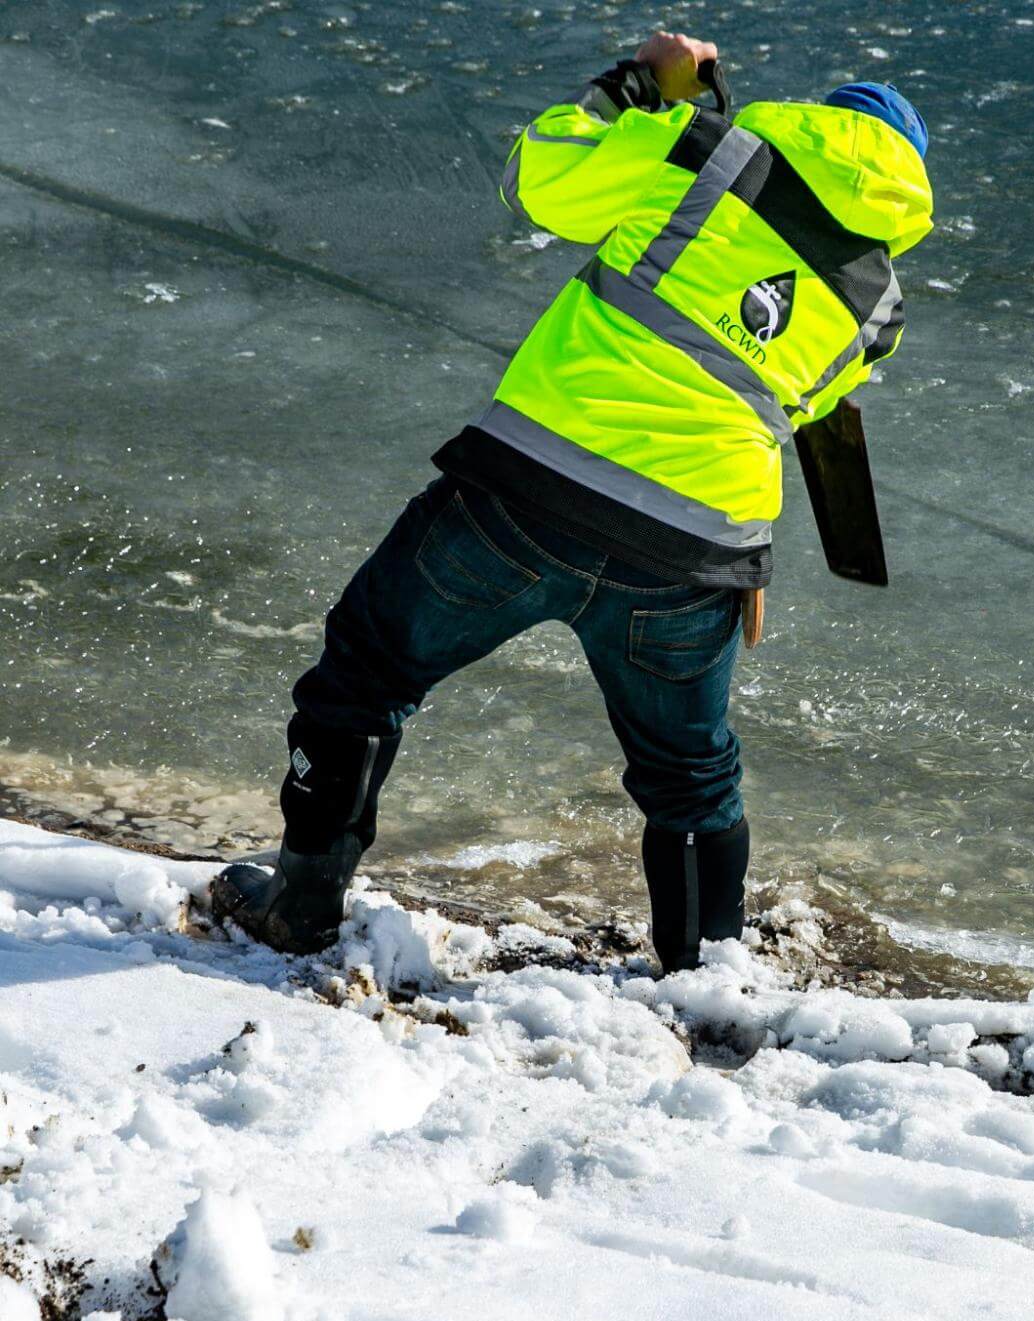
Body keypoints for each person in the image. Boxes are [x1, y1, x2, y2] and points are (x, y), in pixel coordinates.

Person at [212, 32, 933, 970]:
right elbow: (793, 404)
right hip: (693, 553)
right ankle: (703, 980)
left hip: (523, 500)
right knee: (691, 780)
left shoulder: (706, 149)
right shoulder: (880, 309)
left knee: (365, 675)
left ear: (818, 121)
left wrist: (636, 89)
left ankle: (302, 907)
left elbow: (538, 179)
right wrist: (747, 560)